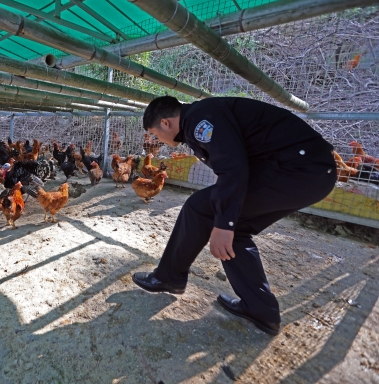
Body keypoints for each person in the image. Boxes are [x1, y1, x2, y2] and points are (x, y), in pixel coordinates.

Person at [132, 96, 336, 335]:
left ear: (166, 123)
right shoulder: (199, 119)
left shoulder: (201, 121)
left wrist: (224, 224)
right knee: (232, 225)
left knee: (199, 207)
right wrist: (229, 223)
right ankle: (261, 309)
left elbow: (233, 169)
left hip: (299, 170)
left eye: (156, 135)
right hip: (310, 173)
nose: (159, 141)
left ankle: (170, 277)